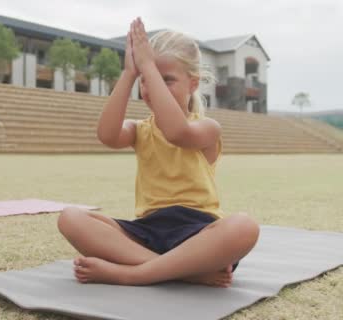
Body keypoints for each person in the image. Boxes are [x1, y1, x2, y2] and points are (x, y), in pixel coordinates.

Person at [57, 18, 259, 287]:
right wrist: (130, 73)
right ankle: (182, 271)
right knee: (70, 218)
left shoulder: (206, 128)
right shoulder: (140, 130)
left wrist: (148, 67)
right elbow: (107, 135)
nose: (152, 87)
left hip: (197, 234)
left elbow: (177, 132)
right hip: (147, 231)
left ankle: (134, 274)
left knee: (244, 227)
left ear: (193, 84)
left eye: (167, 80)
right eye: (146, 80)